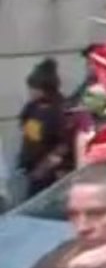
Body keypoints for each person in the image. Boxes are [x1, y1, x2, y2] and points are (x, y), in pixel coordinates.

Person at [17, 58, 72, 201]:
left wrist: (44, 168)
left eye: (34, 88)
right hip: (32, 170)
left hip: (50, 174)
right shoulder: (32, 107)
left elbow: (63, 146)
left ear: (44, 89)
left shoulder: (60, 110)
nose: (30, 92)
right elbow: (24, 126)